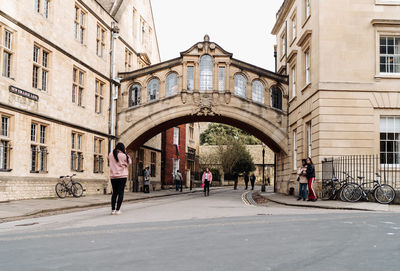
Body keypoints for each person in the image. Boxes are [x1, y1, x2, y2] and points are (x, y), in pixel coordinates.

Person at [109, 142, 131, 215]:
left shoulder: (110, 154)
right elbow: (129, 162)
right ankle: (118, 210)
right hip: (122, 176)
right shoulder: (124, 156)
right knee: (121, 192)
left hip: (113, 176)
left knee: (114, 192)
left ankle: (113, 210)